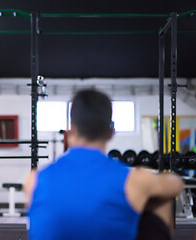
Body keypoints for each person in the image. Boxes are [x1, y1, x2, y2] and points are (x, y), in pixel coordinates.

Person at [24, 89, 184, 240]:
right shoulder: (135, 180)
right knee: (160, 199)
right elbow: (176, 184)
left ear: (70, 130)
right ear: (111, 132)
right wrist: (146, 175)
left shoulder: (33, 180)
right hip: (139, 185)